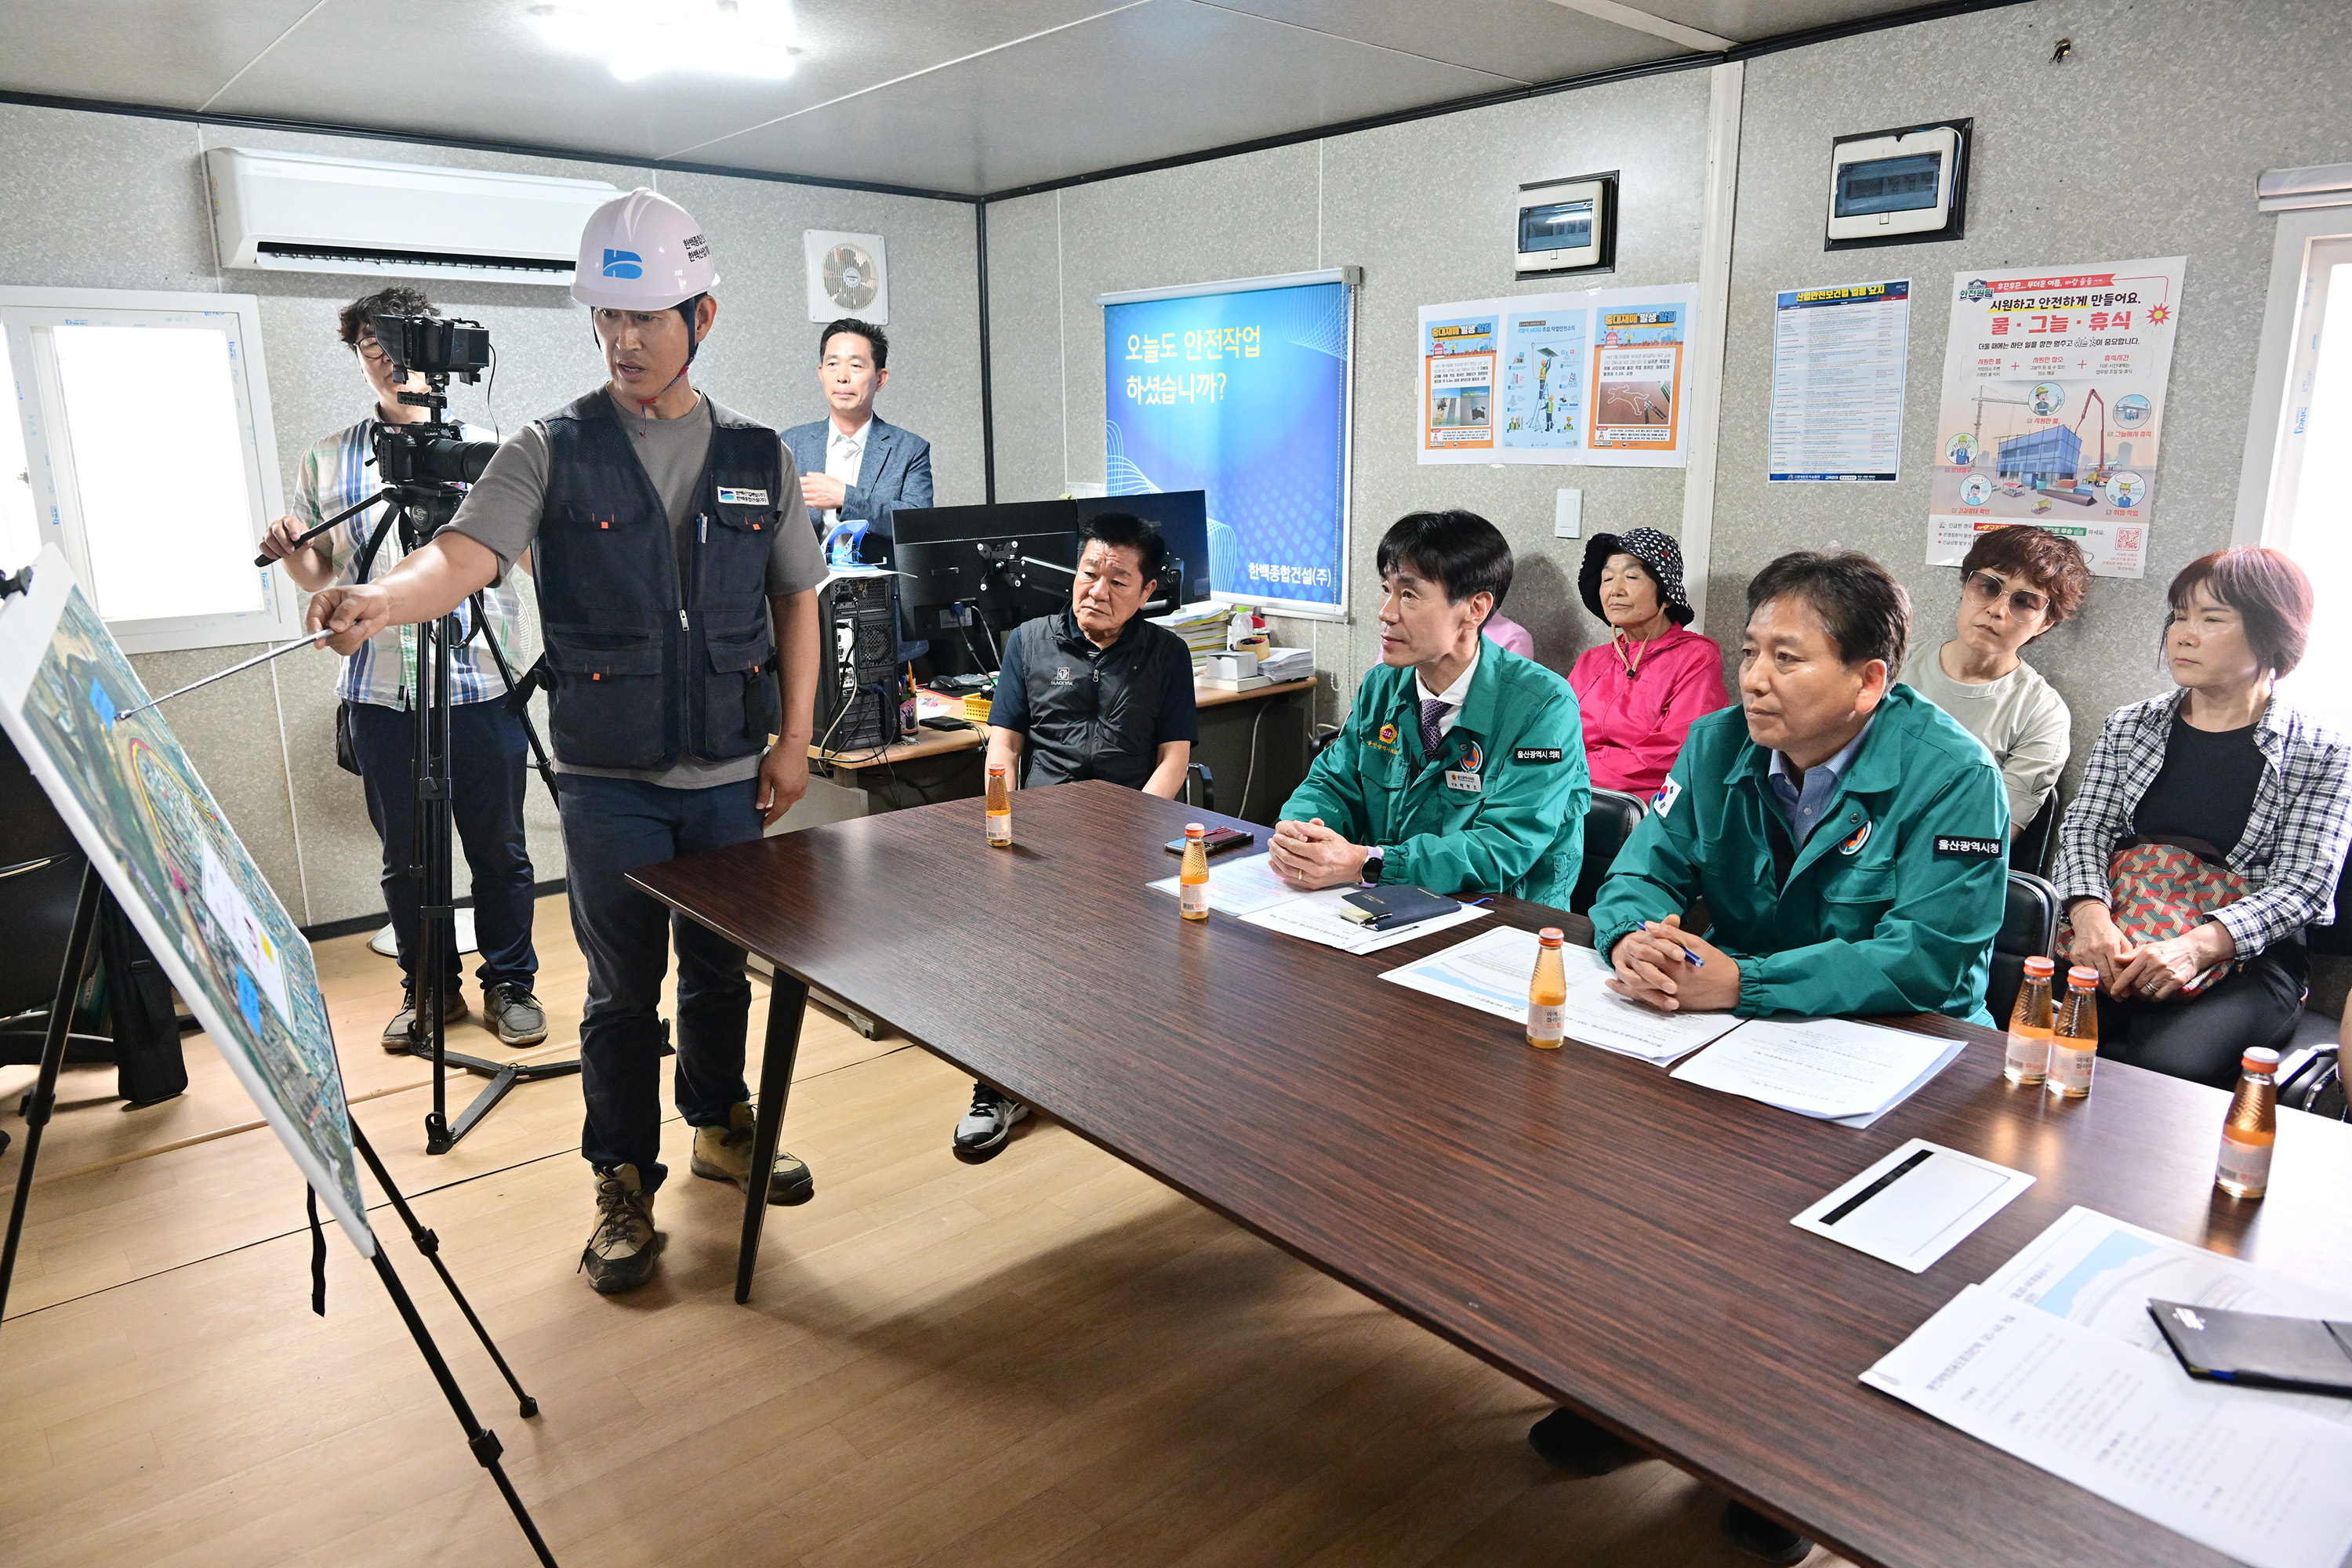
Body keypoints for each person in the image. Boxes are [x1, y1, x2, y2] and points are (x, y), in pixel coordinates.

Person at [306, 188, 827, 1297]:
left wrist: (794, 741)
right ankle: (621, 1182)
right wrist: (381, 602)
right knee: (621, 991)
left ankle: (719, 1125)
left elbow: (800, 601)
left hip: (733, 773)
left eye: (645, 319)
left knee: (722, 972)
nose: (624, 341)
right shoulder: (550, 448)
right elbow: (458, 558)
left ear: (703, 318)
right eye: (607, 320)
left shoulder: (759, 455)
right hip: (610, 781)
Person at [1544, 549, 2008, 1564]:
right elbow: (1637, 872)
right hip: (1747, 1025)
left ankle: (1788, 1462)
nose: (1753, 677)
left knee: (1826, 1261)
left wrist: (1746, 984)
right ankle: (1633, 1399)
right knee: (1650, 1198)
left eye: (1786, 657)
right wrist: (1633, 937)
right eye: (1750, 650)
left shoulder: (1952, 777)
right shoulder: (1718, 748)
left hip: (1909, 1056)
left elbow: (1926, 960)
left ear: (1868, 681)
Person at [258, 286, 546, 1053]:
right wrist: (296, 555)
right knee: (407, 858)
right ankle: (429, 987)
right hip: (383, 690)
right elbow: (323, 574)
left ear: (433, 351)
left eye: (397, 347)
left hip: (483, 678)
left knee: (500, 850)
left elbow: (523, 557)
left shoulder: (493, 448)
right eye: (369, 351)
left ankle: (511, 982)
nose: (385, 364)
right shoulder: (327, 456)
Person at [2054, 548, 2352, 1087]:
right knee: (2021, 1015)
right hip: (2121, 925)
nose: (2183, 634)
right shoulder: (2131, 726)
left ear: (2272, 633)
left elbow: (2307, 886)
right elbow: (2086, 828)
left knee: (2167, 1067)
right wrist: (2091, 919)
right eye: (2179, 616)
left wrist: (2195, 947)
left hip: (2247, 958)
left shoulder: (2323, 750)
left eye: (2211, 619)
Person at [954, 512, 1198, 1156]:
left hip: (1132, 828)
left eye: (1120, 580)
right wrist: (1000, 813)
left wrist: (1135, 828)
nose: (1098, 589)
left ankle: (1120, 1086)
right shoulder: (1029, 641)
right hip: (1042, 829)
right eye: (1090, 573)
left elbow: (1174, 758)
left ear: (1148, 592)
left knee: (1147, 965)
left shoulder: (1167, 655)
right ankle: (996, 1087)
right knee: (1013, 958)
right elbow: (1003, 742)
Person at [1270, 510, 1588, 907]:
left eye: (1409, 595)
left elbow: (1504, 846)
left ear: (1475, 609)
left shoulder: (1543, 706)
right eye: (1386, 590)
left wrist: (1369, 864)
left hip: (1502, 919)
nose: (1386, 612)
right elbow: (1334, 782)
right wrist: (1303, 832)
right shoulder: (1382, 684)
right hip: (1389, 903)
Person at [1900, 524, 2088, 839]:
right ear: (1966, 588)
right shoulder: (1893, 665)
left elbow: (1991, 835)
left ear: (2046, 624)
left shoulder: (2042, 713)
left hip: (1942, 865)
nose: (1997, 610)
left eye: (2024, 602)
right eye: (1988, 587)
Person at [1566, 528, 1726, 797]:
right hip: (1573, 791)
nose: (1615, 590)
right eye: (1607, 578)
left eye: (1631, 577)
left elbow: (1674, 753)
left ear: (1665, 596)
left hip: (1645, 805)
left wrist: (1573, 769)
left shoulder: (1697, 657)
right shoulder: (1591, 661)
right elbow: (1555, 734)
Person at [782, 318, 933, 558]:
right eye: (832, 364)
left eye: (855, 366)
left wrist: (846, 498)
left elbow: (919, 525)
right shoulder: (790, 444)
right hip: (804, 590)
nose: (842, 377)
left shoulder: (909, 449)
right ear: (821, 374)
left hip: (878, 590)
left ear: (880, 379)